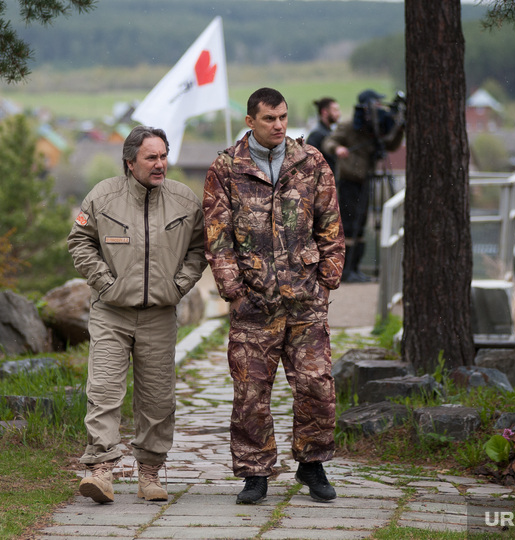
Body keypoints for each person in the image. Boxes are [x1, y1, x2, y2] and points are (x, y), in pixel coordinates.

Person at [203, 87, 345, 505]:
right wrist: (234, 291)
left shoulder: (310, 161)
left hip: (305, 300)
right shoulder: (227, 168)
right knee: (251, 391)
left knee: (316, 384)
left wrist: (327, 278)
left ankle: (312, 464)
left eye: (283, 116)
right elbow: (217, 236)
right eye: (269, 118)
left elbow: (331, 222)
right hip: (254, 302)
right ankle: (255, 472)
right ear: (250, 121)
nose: (279, 125)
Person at [68, 125, 207, 504]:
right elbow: (79, 241)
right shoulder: (103, 196)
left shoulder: (184, 201)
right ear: (130, 162)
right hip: (111, 312)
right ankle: (101, 471)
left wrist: (179, 285)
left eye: (163, 156)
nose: (160, 164)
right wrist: (105, 282)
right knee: (104, 392)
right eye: (152, 157)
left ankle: (149, 473)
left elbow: (200, 248)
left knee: (158, 398)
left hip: (160, 315)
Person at [321, 89, 405, 283]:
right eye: (376, 103)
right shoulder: (350, 125)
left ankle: (356, 268)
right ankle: (346, 269)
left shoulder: (375, 126)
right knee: (350, 226)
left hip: (366, 179)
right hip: (350, 181)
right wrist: (338, 149)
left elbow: (390, 146)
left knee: (361, 227)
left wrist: (399, 129)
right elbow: (329, 141)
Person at [306, 97, 347, 179]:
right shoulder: (316, 135)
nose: (338, 113)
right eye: (335, 110)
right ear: (324, 112)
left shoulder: (330, 132)